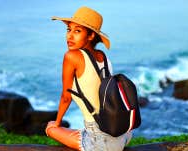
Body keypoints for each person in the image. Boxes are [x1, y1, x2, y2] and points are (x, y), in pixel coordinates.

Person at [46, 6, 132, 151]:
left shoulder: (71, 56)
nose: (70, 36)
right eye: (69, 30)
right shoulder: (103, 57)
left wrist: (57, 122)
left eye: (77, 31)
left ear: (91, 36)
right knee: (77, 130)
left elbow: (66, 97)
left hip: (101, 140)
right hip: (123, 134)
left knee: (50, 128)